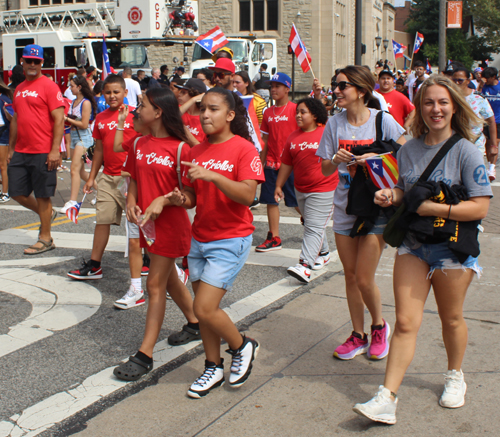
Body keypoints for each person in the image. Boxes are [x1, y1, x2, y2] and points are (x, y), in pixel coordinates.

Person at [353, 74, 492, 424]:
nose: (436, 109)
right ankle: (386, 398)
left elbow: (480, 208)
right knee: (404, 322)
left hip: (452, 249)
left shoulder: (466, 150)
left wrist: (436, 209)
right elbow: (404, 190)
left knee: (451, 318)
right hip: (414, 245)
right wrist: (391, 195)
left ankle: (455, 375)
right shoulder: (410, 148)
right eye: (429, 102)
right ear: (419, 106)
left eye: (443, 102)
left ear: (454, 106)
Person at [165, 88, 265, 398]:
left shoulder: (244, 149)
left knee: (203, 308)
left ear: (230, 115)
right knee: (207, 311)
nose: (205, 115)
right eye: (203, 110)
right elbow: (195, 196)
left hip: (230, 238)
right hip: (200, 238)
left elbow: (248, 195)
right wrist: (184, 198)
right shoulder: (197, 151)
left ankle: (241, 345)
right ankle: (212, 366)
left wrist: (214, 177)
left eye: (213, 109)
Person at [316, 65, 405, 361]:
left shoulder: (382, 120)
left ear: (361, 90)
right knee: (351, 275)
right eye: (335, 85)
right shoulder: (334, 124)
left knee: (365, 278)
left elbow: (405, 149)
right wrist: (334, 157)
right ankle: (358, 335)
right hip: (344, 206)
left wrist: (376, 157)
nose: (337, 91)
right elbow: (325, 168)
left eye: (342, 86)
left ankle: (379, 326)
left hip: (376, 206)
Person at [113, 88, 201, 381]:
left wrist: (169, 199)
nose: (137, 109)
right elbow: (134, 177)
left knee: (154, 284)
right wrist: (130, 200)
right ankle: (195, 322)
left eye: (142, 104)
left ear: (159, 111)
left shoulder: (180, 148)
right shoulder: (139, 143)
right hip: (146, 223)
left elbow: (191, 196)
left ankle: (146, 353)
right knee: (170, 279)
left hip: (171, 226)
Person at [67, 74, 135, 279]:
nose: (112, 96)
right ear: (102, 94)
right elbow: (98, 150)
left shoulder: (135, 116)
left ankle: (148, 261)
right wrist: (91, 177)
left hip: (131, 179)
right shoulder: (101, 118)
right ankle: (95, 265)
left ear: (125, 92)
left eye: (116, 92)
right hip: (107, 178)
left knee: (139, 223)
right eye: (108, 92)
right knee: (102, 221)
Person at [7, 45, 64, 254]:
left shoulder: (49, 86)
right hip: (21, 150)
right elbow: (16, 120)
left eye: (36, 61)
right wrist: (12, 148)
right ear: (22, 61)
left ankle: (46, 238)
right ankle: (47, 214)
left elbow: (59, 119)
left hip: (43, 150)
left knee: (43, 195)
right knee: (15, 192)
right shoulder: (20, 88)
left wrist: (55, 149)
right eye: (28, 60)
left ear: (42, 63)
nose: (32, 64)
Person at [275, 98, 338, 283]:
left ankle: (304, 266)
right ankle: (324, 252)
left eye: (303, 112)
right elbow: (286, 163)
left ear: (315, 114)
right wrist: (279, 185)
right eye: (297, 112)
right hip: (300, 189)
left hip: (324, 189)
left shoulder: (326, 133)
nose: (298, 115)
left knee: (313, 227)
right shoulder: (293, 137)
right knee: (310, 222)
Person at [256, 72, 299, 252]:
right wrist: (260, 162)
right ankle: (274, 237)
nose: (273, 90)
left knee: (296, 203)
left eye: (277, 86)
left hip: (290, 166)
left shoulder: (296, 109)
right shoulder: (267, 112)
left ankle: (315, 231)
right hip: (271, 165)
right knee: (270, 201)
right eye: (271, 86)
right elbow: (265, 140)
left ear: (287, 89)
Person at [60, 76, 96, 214]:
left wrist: (67, 119)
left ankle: (72, 201)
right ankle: (102, 191)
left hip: (83, 137)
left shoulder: (85, 103)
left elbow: (84, 124)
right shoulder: (74, 101)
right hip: (75, 136)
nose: (70, 88)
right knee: (81, 172)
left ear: (79, 87)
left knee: (74, 169)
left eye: (72, 85)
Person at [452, 66, 498, 175]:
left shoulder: (478, 98)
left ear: (468, 81)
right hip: (454, 142)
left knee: (474, 174)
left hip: (475, 142)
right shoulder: (448, 97)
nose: (457, 83)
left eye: (460, 80)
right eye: (454, 80)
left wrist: (494, 145)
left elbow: (491, 122)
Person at [378, 69, 415, 133]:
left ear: (393, 81)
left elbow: (413, 110)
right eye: (383, 78)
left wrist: (407, 124)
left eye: (388, 78)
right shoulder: (373, 95)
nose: (386, 80)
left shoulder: (400, 97)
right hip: (376, 134)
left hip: (395, 135)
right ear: (378, 80)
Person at [480, 67, 500, 181]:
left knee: (495, 143)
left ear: (493, 77)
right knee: (488, 145)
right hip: (486, 120)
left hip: (498, 120)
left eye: (487, 78)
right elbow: (477, 97)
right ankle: (489, 165)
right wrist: (481, 85)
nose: (485, 80)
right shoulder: (484, 87)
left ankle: (492, 167)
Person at [175, 78, 207, 144]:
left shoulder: (205, 117)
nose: (179, 95)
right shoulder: (180, 109)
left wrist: (193, 99)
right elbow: (173, 116)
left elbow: (198, 146)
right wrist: (192, 100)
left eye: (183, 93)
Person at [0, 78, 13, 203]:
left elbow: (11, 119)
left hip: (3, 134)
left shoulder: (4, 99)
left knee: (3, 165)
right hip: (3, 134)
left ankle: (5, 193)